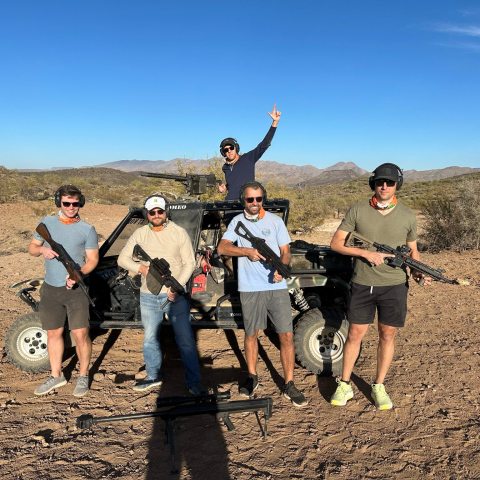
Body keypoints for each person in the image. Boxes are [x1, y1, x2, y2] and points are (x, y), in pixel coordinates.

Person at [329, 163, 431, 410]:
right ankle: (345, 384)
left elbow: (413, 250)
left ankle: (379, 385)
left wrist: (418, 272)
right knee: (355, 334)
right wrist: (365, 254)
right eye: (379, 182)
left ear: (397, 185)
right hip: (363, 283)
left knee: (387, 335)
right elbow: (336, 244)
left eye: (390, 183)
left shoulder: (407, 215)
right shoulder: (358, 210)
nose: (384, 187)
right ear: (373, 184)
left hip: (394, 285)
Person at [217, 181, 308, 408]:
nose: (255, 203)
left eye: (259, 199)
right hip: (250, 287)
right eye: (250, 199)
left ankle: (289, 383)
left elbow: (285, 252)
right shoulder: (237, 222)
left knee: (286, 335)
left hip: (276, 288)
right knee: (251, 334)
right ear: (243, 201)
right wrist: (246, 251)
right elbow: (222, 248)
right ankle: (252, 376)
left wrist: (281, 268)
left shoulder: (275, 222)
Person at [117, 194, 205, 395]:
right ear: (147, 214)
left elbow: (189, 263)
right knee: (150, 338)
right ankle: (153, 375)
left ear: (166, 212)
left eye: (160, 211)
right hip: (148, 294)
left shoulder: (178, 232)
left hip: (174, 295)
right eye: (152, 212)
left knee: (185, 339)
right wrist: (142, 269)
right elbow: (122, 259)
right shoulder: (140, 234)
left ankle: (194, 382)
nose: (156, 215)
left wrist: (176, 287)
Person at [29, 185, 99, 397]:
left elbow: (92, 260)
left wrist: (77, 275)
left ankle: (83, 375)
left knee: (80, 334)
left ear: (81, 203)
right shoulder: (46, 223)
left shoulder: (87, 229)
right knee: (53, 333)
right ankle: (56, 375)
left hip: (76, 290)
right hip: (51, 288)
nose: (71, 207)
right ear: (59, 202)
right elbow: (32, 247)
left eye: (75, 203)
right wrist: (42, 249)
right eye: (66, 203)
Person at [218, 104, 281, 200]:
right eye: (226, 150)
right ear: (223, 153)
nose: (229, 151)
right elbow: (235, 183)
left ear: (236, 148)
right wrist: (225, 188)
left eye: (231, 147)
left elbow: (264, 144)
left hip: (246, 205)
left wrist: (275, 123)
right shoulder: (225, 167)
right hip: (229, 206)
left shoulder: (248, 159)